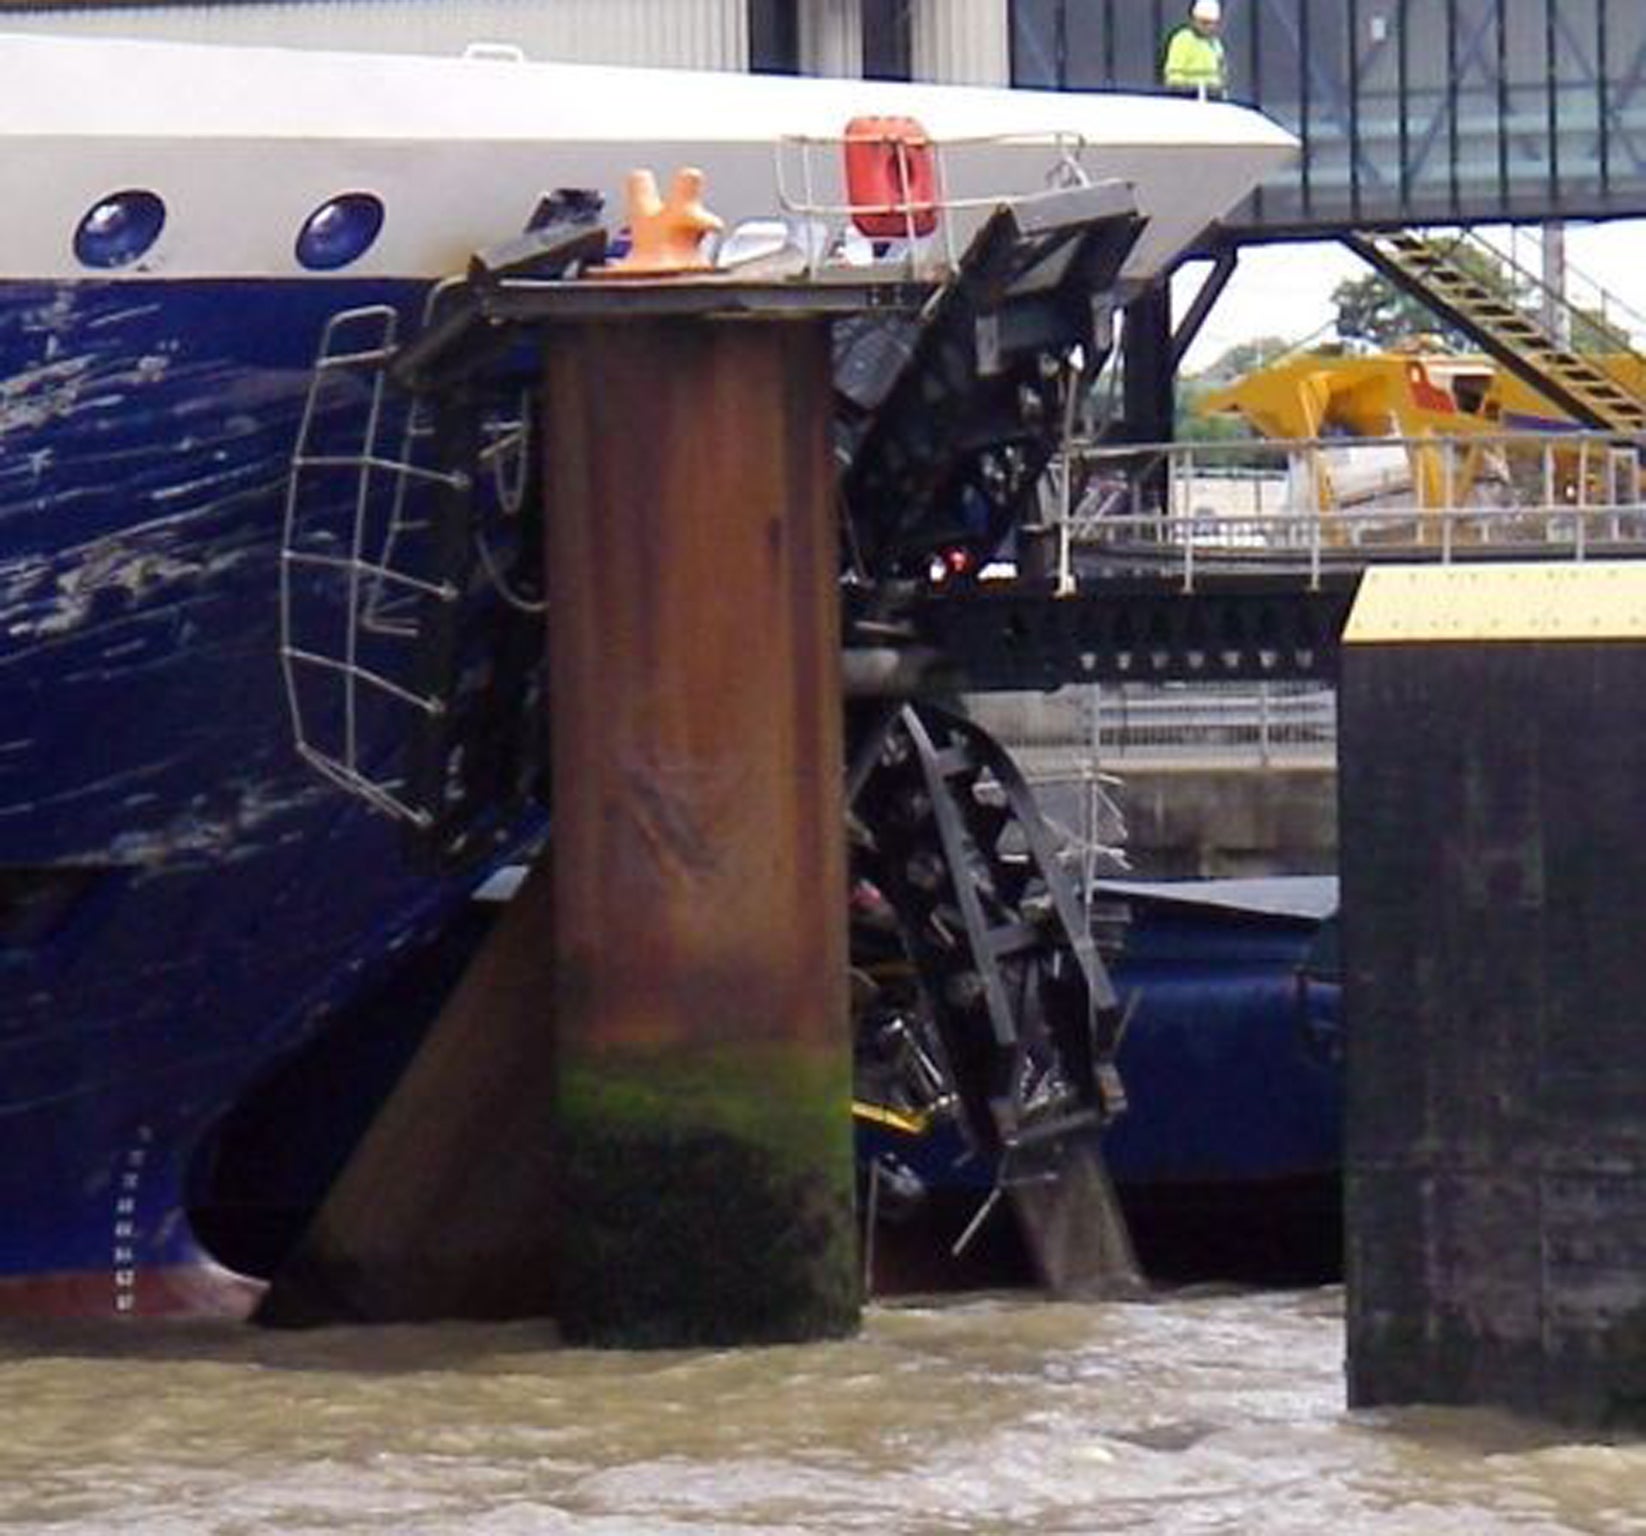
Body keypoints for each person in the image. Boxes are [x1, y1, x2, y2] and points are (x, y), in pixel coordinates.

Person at [1163, 0, 1228, 99]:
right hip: (1188, 99)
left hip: (1213, 99)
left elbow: (1221, 74)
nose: (1207, 27)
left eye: (1211, 24)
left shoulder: (1216, 44)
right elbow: (1173, 78)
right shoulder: (1182, 39)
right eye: (1203, 23)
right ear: (1193, 20)